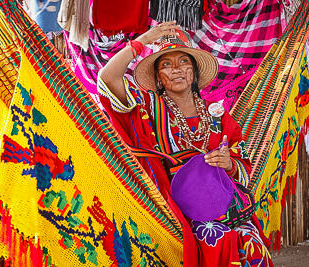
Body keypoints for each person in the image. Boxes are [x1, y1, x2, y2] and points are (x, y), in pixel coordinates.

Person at [98, 21, 273, 267]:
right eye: (166, 65)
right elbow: (107, 78)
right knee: (216, 237)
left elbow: (242, 169)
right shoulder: (148, 108)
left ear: (194, 72)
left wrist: (230, 164)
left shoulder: (217, 115)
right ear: (158, 77)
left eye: (184, 62)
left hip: (220, 202)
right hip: (170, 205)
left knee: (249, 237)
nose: (177, 70)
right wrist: (144, 40)